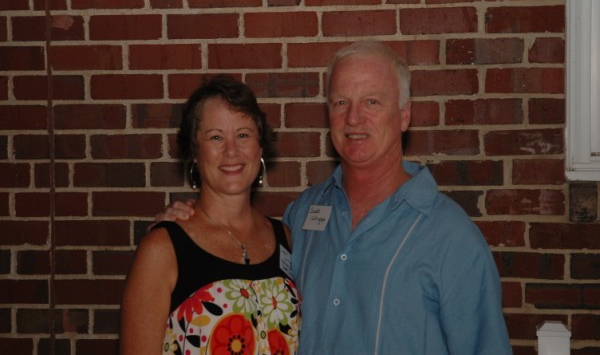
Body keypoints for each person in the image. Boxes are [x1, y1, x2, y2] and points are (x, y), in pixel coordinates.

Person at [158, 41, 512, 354]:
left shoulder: (452, 239)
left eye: (372, 101)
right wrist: (191, 222)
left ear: (404, 115)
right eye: (341, 101)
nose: (354, 117)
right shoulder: (302, 216)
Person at [120, 75, 301, 355]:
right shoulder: (162, 249)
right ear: (194, 151)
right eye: (215, 137)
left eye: (243, 135)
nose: (231, 150)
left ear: (260, 146)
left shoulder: (285, 238)